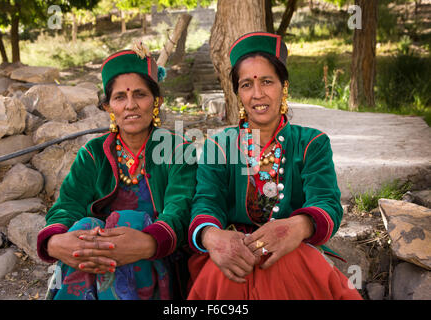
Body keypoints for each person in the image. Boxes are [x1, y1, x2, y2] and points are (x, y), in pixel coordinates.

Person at [187, 32, 362, 300]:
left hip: (294, 250)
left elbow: (327, 202)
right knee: (229, 274)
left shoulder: (311, 143)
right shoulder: (219, 146)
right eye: (246, 85)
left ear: (284, 86)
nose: (257, 94)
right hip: (235, 252)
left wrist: (297, 227)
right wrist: (212, 237)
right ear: (238, 94)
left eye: (267, 81)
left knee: (284, 266)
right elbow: (206, 202)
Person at [36, 42, 196, 300]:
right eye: (120, 97)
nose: (130, 105)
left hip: (153, 257)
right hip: (94, 258)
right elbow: (68, 204)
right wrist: (54, 242)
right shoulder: (93, 153)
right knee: (84, 226)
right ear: (109, 107)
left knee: (129, 221)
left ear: (157, 102)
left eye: (140, 95)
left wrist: (148, 242)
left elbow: (180, 207)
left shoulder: (178, 149)